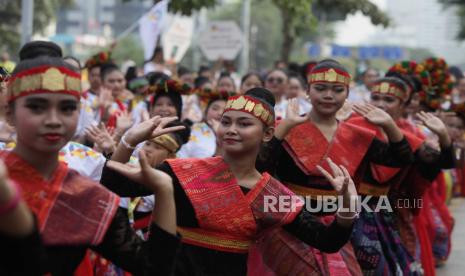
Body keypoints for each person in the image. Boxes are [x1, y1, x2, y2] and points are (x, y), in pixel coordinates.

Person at [101, 87, 360, 275]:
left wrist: (348, 206)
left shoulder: (270, 193)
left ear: (268, 134)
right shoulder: (184, 170)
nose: (232, 129)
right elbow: (115, 184)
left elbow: (327, 240)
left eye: (244, 123)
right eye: (226, 122)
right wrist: (128, 141)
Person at [0, 40, 180, 275]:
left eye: (67, 108)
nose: (53, 119)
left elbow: (152, 267)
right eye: (37, 107)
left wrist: (164, 189)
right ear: (9, 114)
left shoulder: (87, 196)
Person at [263, 59, 414, 275]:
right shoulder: (287, 127)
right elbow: (261, 165)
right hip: (291, 222)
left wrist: (389, 125)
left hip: (339, 225)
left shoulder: (357, 135)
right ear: (308, 91)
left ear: (347, 94)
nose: (328, 95)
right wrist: (284, 128)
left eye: (337, 90)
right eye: (320, 88)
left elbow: (402, 158)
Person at [177, 89, 231, 158]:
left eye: (225, 110)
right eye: (215, 108)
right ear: (205, 112)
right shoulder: (193, 130)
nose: (220, 113)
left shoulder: (234, 134)